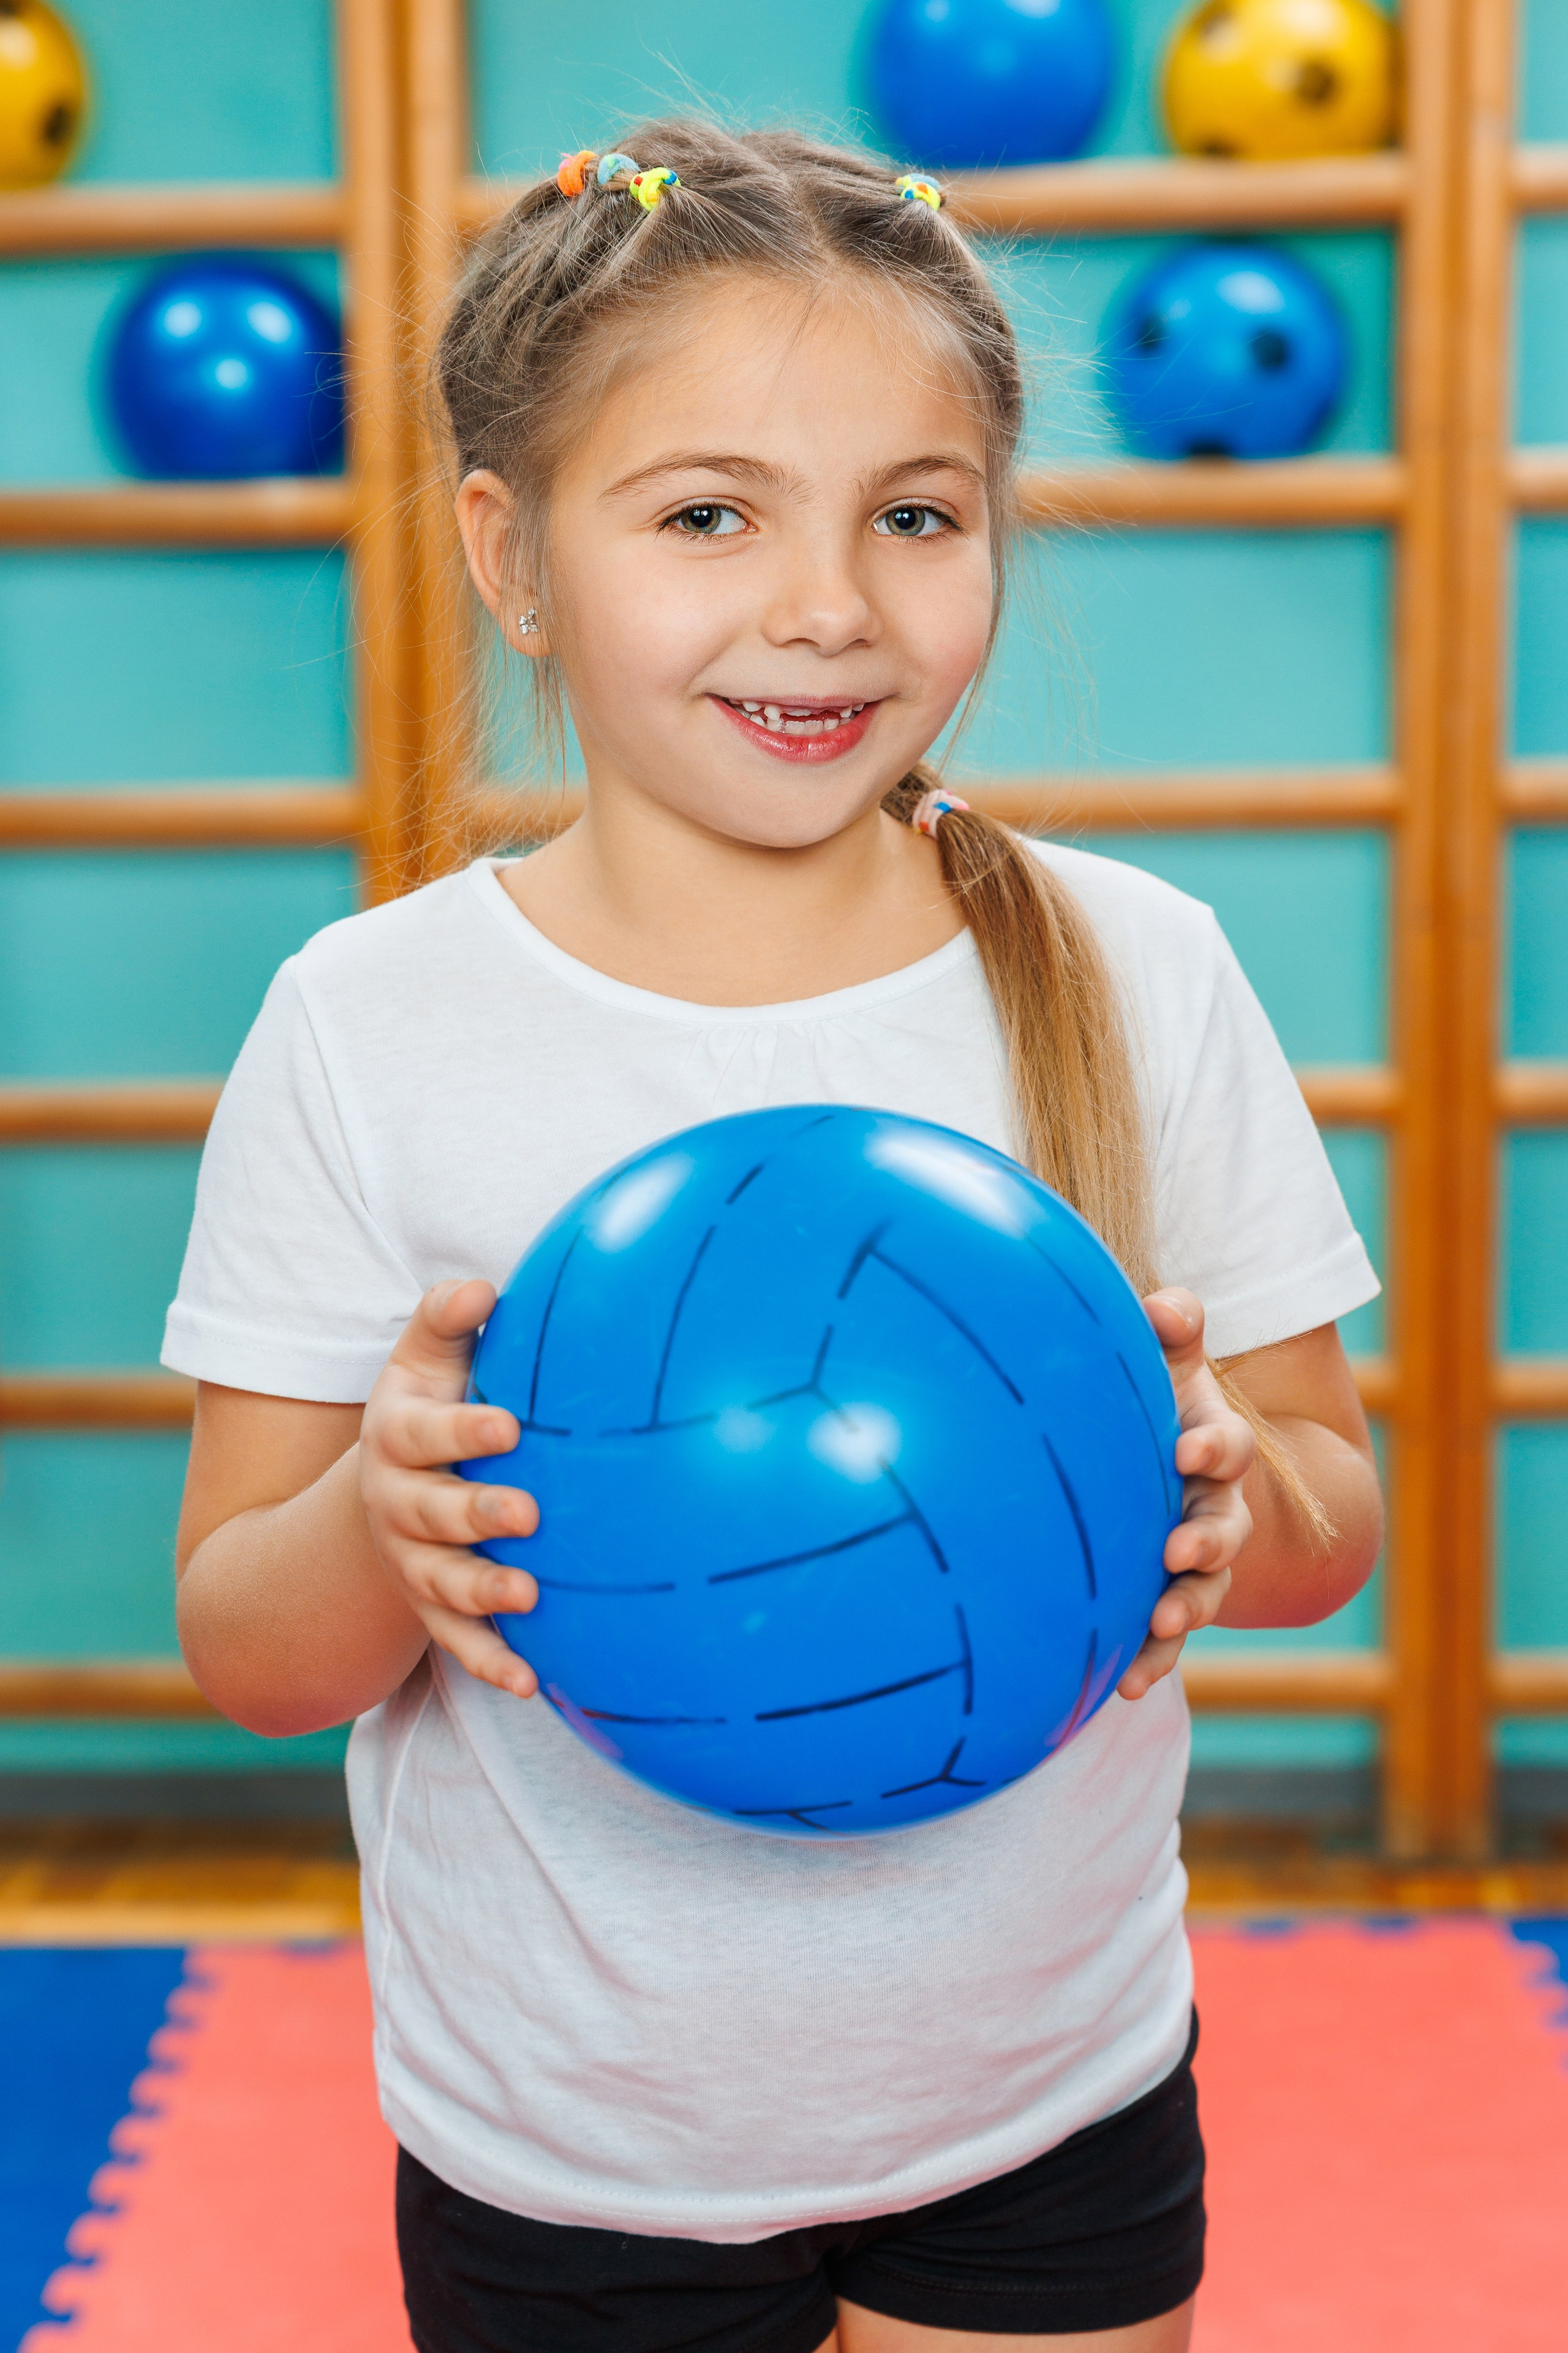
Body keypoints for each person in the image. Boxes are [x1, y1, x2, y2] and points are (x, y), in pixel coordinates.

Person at [165, 121, 1384, 2353]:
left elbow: (1328, 1514)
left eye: (915, 515)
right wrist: (386, 1522)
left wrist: (1226, 1494)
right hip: (571, 2144)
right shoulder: (368, 1026)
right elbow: (251, 1656)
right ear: (513, 557)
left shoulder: (1141, 969)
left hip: (1055, 2094)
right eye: (708, 514)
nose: (829, 605)